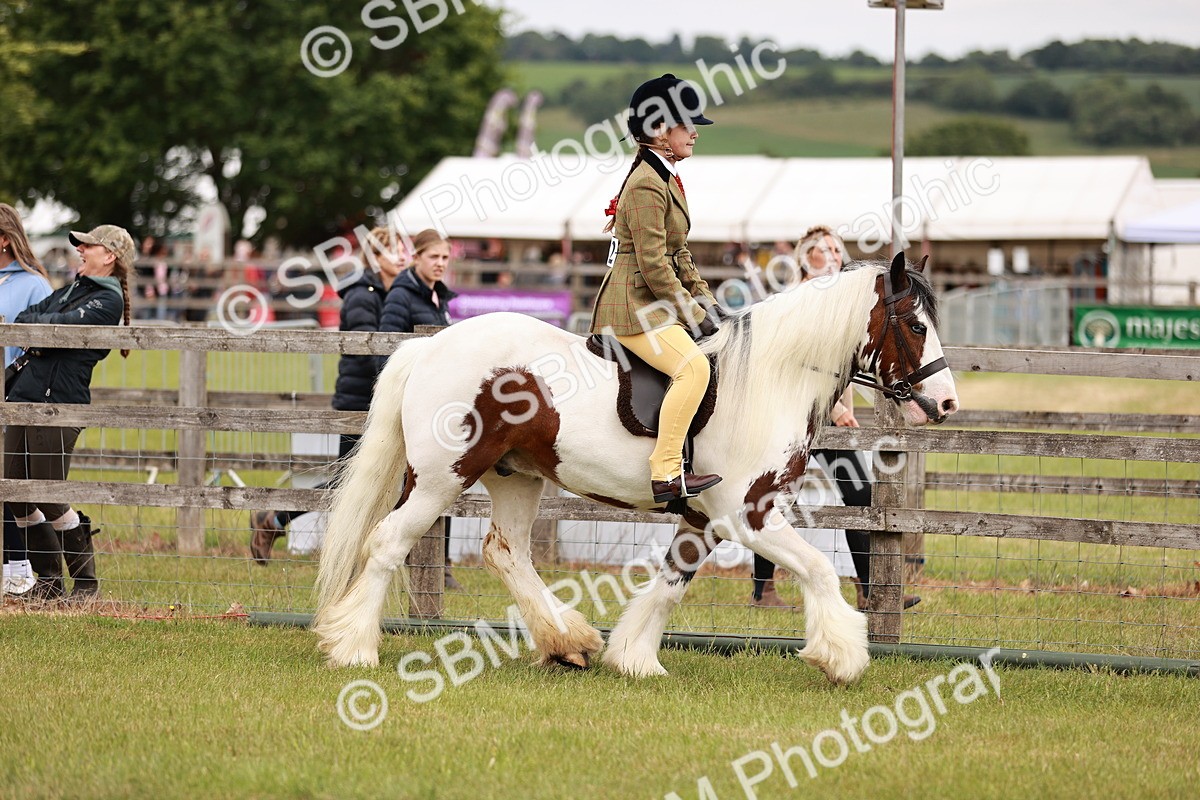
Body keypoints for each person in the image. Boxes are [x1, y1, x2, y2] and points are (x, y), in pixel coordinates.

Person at [749, 226, 920, 610]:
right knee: (772, 498)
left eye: (837, 249)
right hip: (795, 419)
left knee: (858, 495)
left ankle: (869, 589)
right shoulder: (797, 301)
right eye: (824, 249)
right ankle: (764, 591)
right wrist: (839, 410)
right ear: (805, 258)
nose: (834, 254)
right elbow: (798, 366)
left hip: (829, 424)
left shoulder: (844, 303)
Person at [590, 73, 723, 504]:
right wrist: (693, 314)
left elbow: (679, 253)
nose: (695, 133)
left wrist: (708, 303)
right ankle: (666, 472)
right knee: (694, 368)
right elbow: (653, 265)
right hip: (632, 307)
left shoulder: (665, 176)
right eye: (687, 125)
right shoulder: (647, 182)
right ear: (660, 130)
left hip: (650, 302)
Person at [250, 228, 407, 563]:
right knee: (348, 483)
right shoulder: (363, 295)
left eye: (403, 250)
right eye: (394, 251)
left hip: (391, 399)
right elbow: (370, 350)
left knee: (385, 481)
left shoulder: (399, 293)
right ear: (376, 258)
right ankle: (276, 519)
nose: (402, 256)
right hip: (360, 399)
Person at [4, 223, 134, 601]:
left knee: (48, 494)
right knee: (15, 493)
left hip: (58, 401)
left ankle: (86, 582)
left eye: (88, 246)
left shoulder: (106, 301)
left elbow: (52, 326)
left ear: (109, 256)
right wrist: (43, 333)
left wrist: (43, 334)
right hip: (24, 396)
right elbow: (28, 319)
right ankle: (48, 581)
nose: (80, 250)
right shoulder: (75, 289)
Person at [377, 228, 463, 589]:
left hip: (437, 403)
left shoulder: (436, 297)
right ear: (417, 258)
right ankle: (413, 559)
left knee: (449, 475)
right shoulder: (402, 295)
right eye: (434, 257)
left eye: (445, 258)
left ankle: (438, 562)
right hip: (415, 403)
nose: (440, 264)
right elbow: (386, 348)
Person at [1, 204, 53, 596]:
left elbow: (46, 347)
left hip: (12, 395)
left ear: (4, 239)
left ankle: (20, 569)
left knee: (8, 486)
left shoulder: (34, 285)